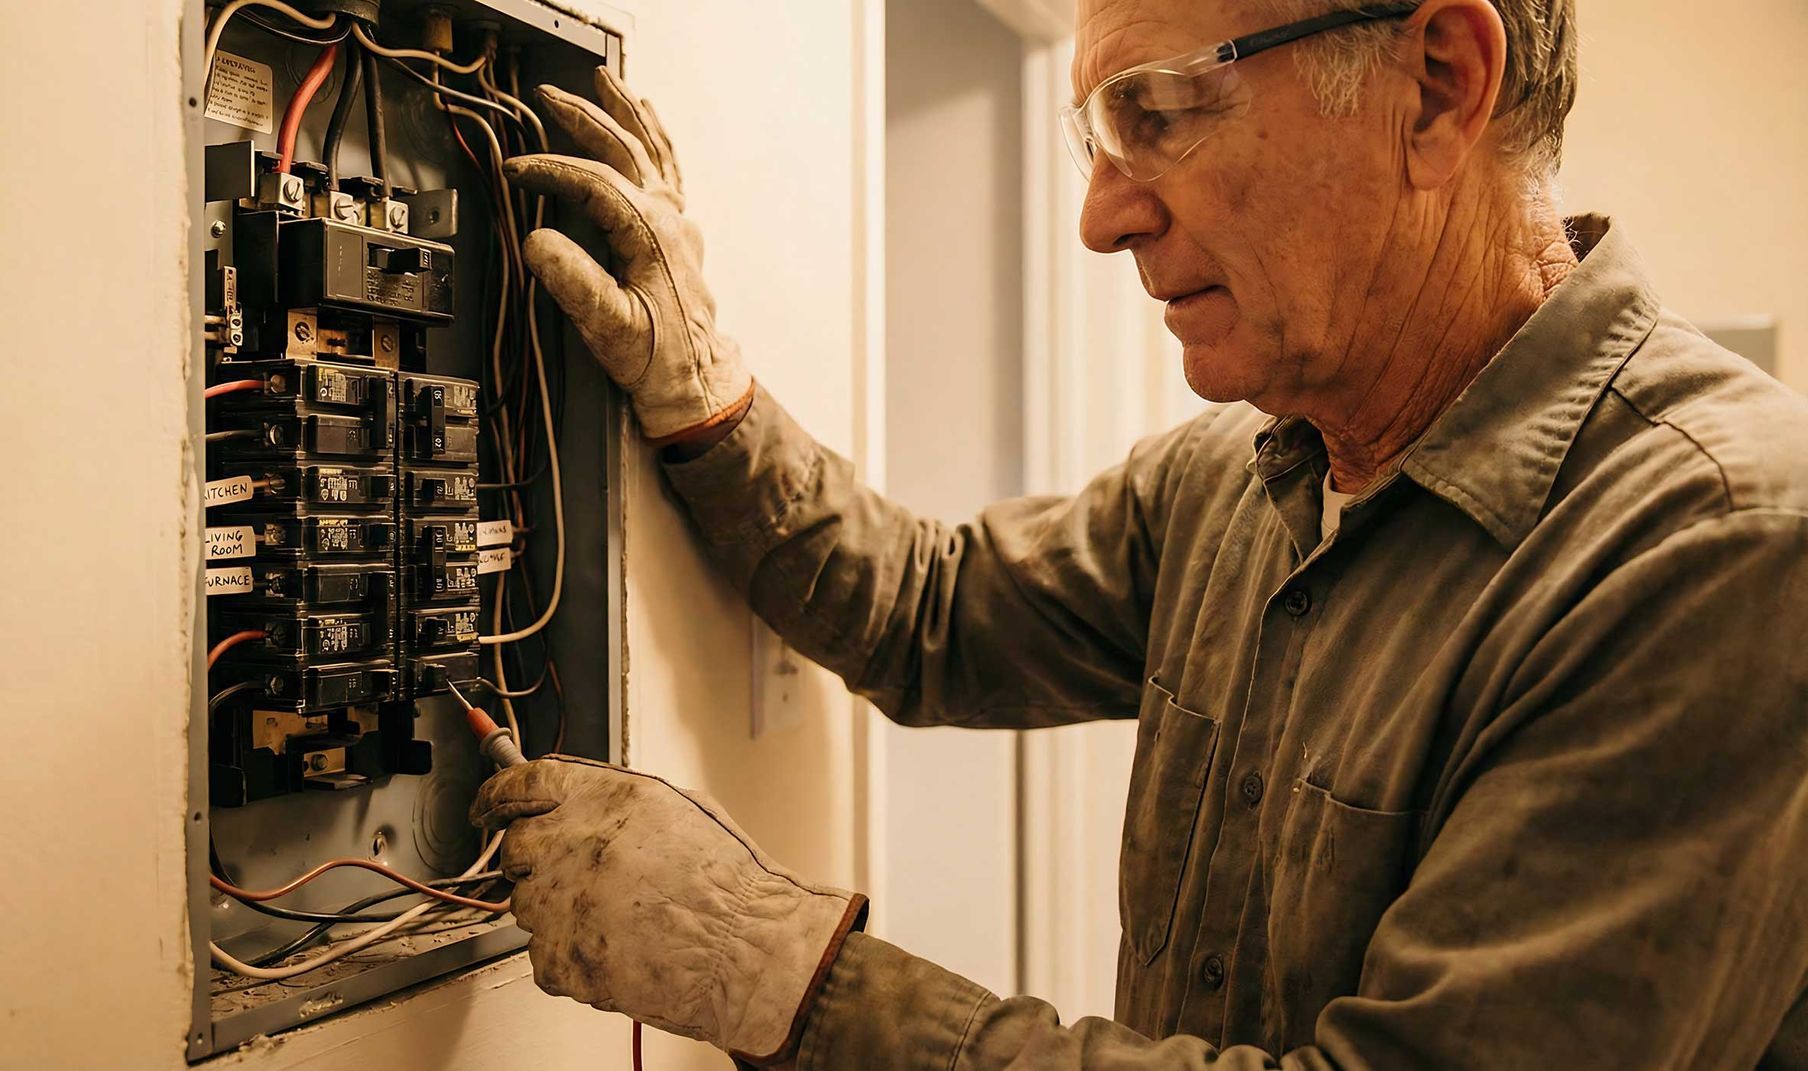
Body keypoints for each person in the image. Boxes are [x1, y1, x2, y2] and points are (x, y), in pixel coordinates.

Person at [470, 0, 1808, 1066]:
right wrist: (706, 394)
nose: (1102, 217)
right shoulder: (1238, 480)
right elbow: (931, 616)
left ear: (1439, 83)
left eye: (1158, 113)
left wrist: (774, 973)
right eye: (1099, 139)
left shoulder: (1718, 546)